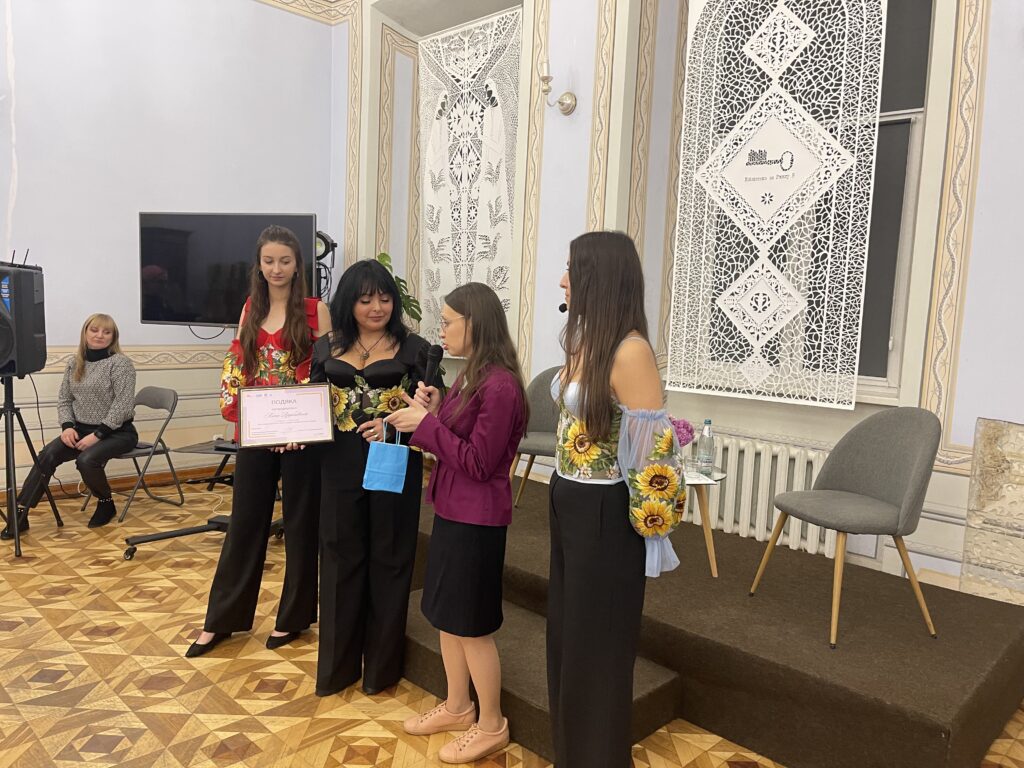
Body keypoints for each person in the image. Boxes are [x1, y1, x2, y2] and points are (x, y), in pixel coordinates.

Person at [547, 231, 686, 768]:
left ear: (598, 278)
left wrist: (653, 531)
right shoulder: (587, 341)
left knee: (598, 647)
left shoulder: (630, 351)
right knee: (568, 638)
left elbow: (654, 456)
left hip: (605, 512)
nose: (563, 280)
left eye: (572, 269)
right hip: (568, 498)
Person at [387, 283, 527, 764]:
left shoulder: (501, 386)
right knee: (448, 617)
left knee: (472, 626)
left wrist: (426, 426)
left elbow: (480, 462)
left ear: (476, 323)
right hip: (452, 509)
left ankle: (492, 725)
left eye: (449, 322)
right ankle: (458, 705)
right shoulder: (472, 374)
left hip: (478, 519)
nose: (441, 330)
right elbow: (455, 438)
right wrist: (432, 411)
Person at [185, 225, 331, 658]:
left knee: (301, 524)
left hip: (301, 437)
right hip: (256, 432)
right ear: (259, 265)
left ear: (298, 265)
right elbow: (238, 364)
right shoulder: (251, 307)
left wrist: (297, 429)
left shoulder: (316, 310)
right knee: (245, 522)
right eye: (269, 261)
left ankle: (294, 618)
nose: (276, 268)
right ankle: (221, 620)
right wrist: (242, 418)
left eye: (285, 261)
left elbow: (323, 373)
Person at [309, 259, 438, 697]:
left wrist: (396, 422)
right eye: (365, 300)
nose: (377, 307)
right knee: (339, 558)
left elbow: (430, 409)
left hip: (393, 459)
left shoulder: (415, 348)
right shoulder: (326, 346)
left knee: (390, 556)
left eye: (384, 299)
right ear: (349, 302)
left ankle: (381, 670)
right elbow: (310, 401)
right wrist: (288, 431)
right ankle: (337, 669)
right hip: (337, 463)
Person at [1, 313, 137, 538]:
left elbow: (122, 406)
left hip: (117, 432)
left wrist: (98, 434)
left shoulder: (120, 364)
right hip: (81, 430)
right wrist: (67, 427)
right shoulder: (74, 363)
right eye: (94, 330)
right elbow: (65, 399)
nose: (100, 335)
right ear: (85, 333)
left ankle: (106, 503)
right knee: (47, 455)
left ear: (113, 337)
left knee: (86, 460)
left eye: (106, 332)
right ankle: (21, 512)